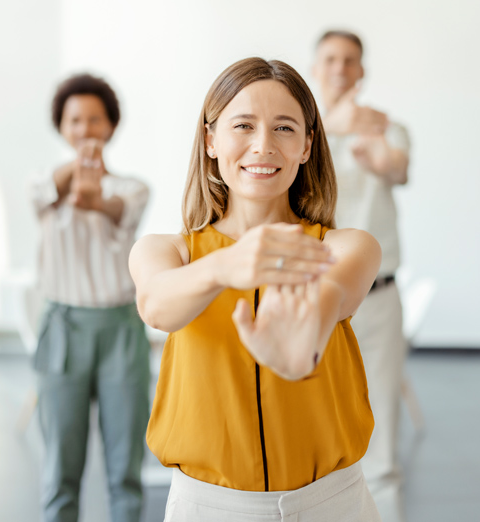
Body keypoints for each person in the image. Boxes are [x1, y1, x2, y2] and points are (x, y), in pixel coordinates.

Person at [129, 57, 381, 521]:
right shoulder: (166, 251)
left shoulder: (347, 246)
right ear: (210, 140)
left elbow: (335, 295)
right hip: (207, 507)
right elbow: (157, 305)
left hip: (332, 503)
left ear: (307, 145)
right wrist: (226, 264)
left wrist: (305, 341)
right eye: (243, 125)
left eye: (284, 128)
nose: (263, 146)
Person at [29, 74, 150, 522]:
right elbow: (52, 193)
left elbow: (112, 208)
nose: (85, 129)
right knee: (61, 467)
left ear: (112, 126)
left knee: (125, 468)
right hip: (63, 327)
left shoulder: (132, 189)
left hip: (121, 327)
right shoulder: (43, 185)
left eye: (95, 120)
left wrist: (94, 197)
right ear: (61, 126)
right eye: (75, 120)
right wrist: (77, 174)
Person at [311, 30, 410, 521]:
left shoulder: (386, 127)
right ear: (315, 64)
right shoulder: (300, 132)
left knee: (382, 437)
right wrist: (333, 126)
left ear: (362, 70)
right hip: (313, 297)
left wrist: (368, 141)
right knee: (312, 432)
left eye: (350, 60)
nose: (340, 68)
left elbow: (397, 166)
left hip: (378, 299)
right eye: (330, 58)